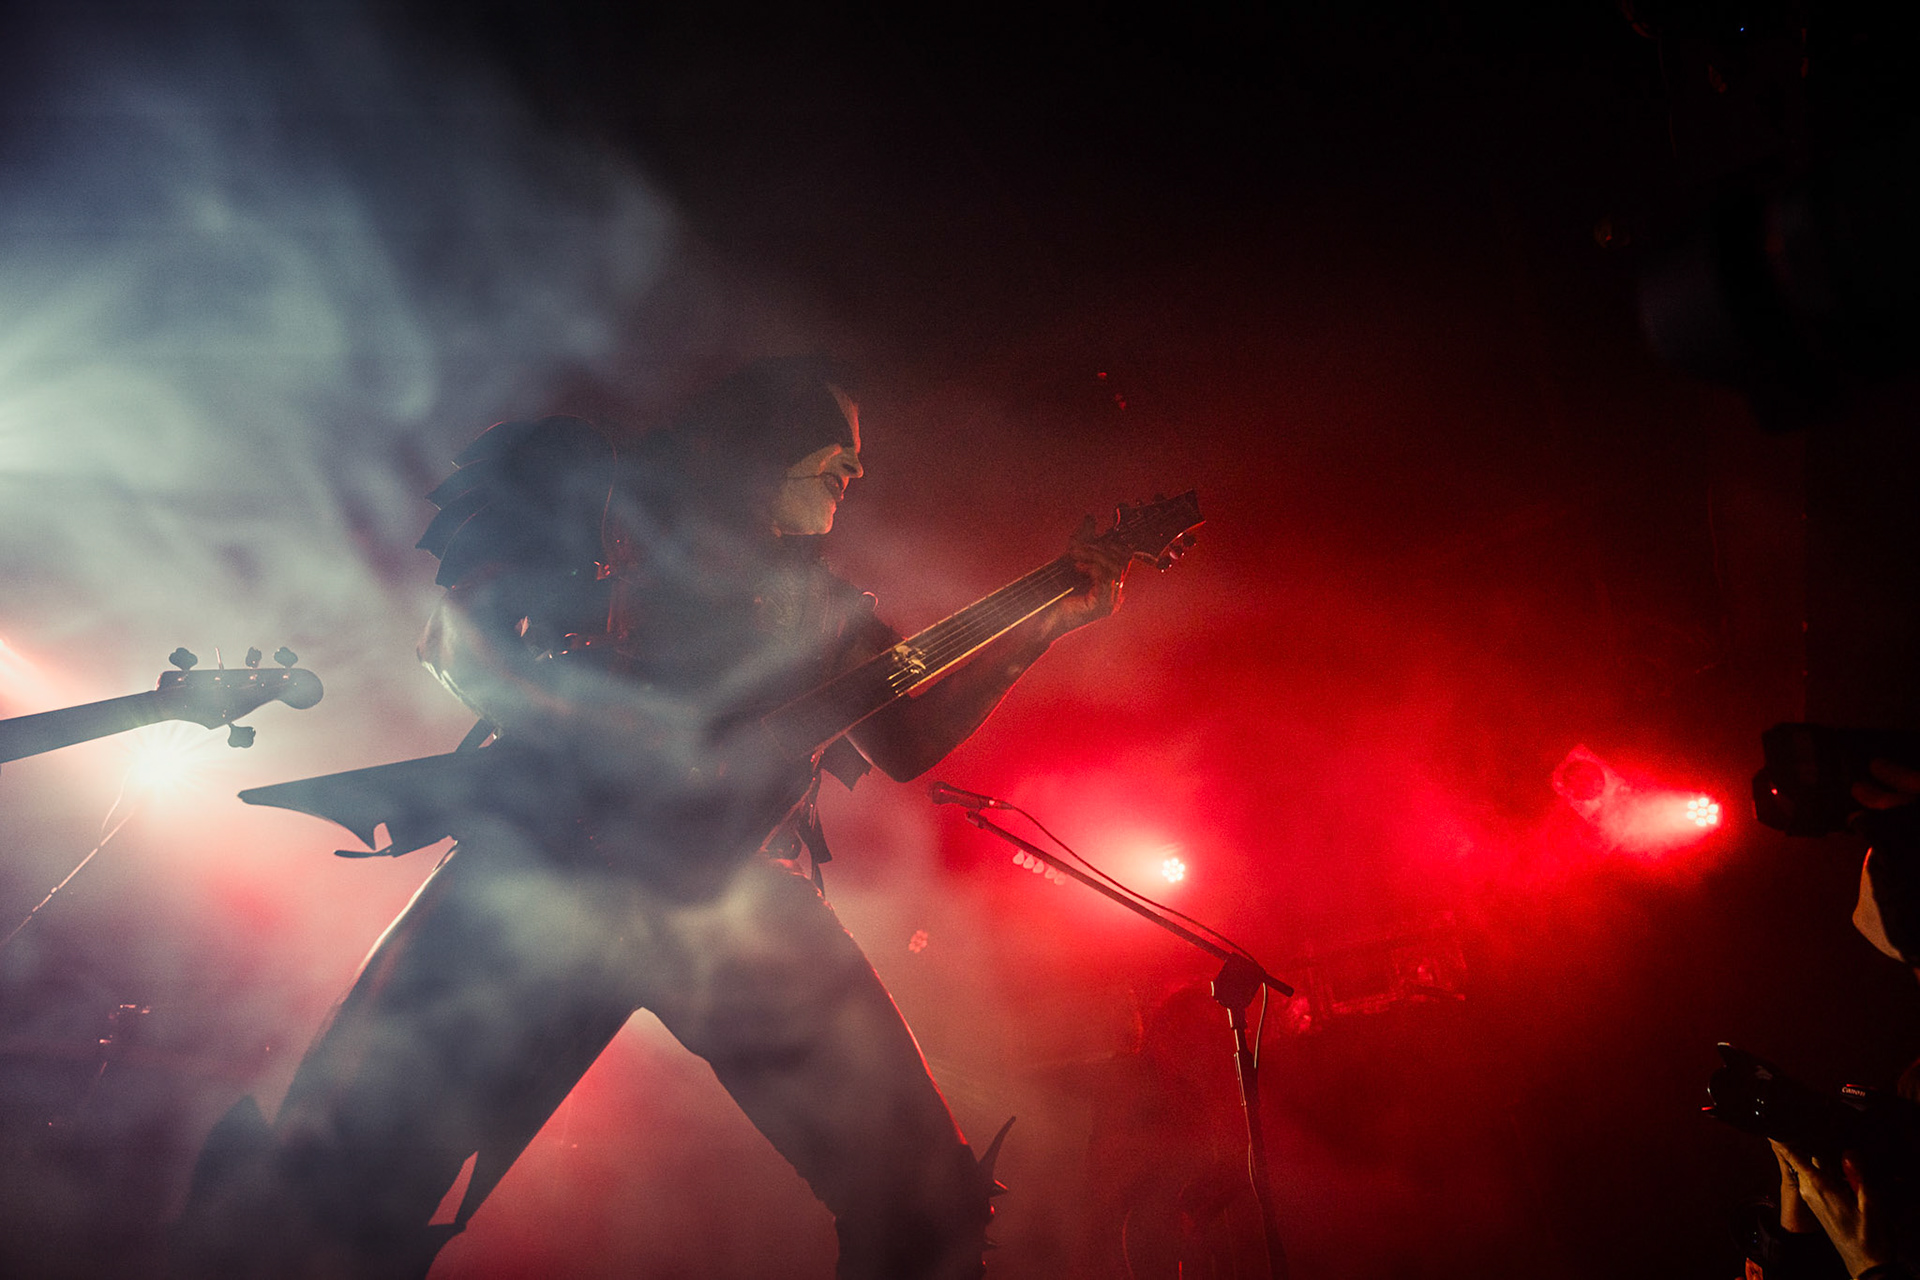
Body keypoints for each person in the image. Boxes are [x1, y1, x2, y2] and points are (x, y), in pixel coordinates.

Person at [171, 357, 1133, 1279]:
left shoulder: (825, 608)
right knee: (321, 1199)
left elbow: (908, 742)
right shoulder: (614, 529)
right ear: (765, 447)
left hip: (729, 904)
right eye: (833, 449)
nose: (854, 471)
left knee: (927, 1208)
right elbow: (461, 643)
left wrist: (1045, 624)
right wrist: (610, 733)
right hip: (547, 872)